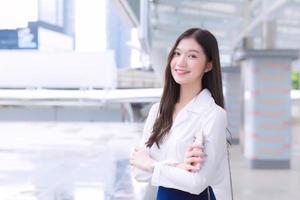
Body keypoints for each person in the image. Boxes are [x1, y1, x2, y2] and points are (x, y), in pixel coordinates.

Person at [130, 28, 231, 200]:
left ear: (209, 65)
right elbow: (139, 172)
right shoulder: (158, 111)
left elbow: (197, 183)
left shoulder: (213, 114)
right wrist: (177, 165)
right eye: (177, 53)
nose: (180, 62)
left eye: (192, 56)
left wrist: (152, 164)